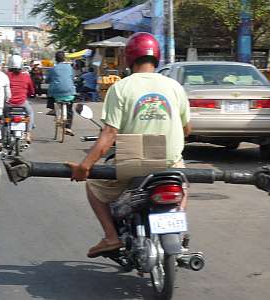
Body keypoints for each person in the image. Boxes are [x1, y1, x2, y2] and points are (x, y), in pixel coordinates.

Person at [67, 32, 192, 258]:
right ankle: (178, 227)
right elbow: (187, 129)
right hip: (170, 159)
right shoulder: (175, 87)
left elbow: (110, 133)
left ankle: (111, 237)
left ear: (128, 58)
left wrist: (85, 165)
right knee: (182, 185)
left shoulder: (121, 87)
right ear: (157, 57)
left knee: (94, 187)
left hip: (135, 156)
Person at [6, 54, 35, 142]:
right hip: (22, 103)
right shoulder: (26, 76)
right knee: (30, 114)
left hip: (8, 104)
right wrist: (31, 95)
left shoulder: (6, 76)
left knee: (3, 117)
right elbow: (31, 91)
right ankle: (28, 134)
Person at [46, 51, 76, 136]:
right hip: (69, 91)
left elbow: (47, 80)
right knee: (70, 109)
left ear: (56, 59)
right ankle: (68, 128)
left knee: (51, 95)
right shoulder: (70, 68)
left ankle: (53, 109)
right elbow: (72, 78)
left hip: (56, 92)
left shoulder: (53, 69)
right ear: (64, 58)